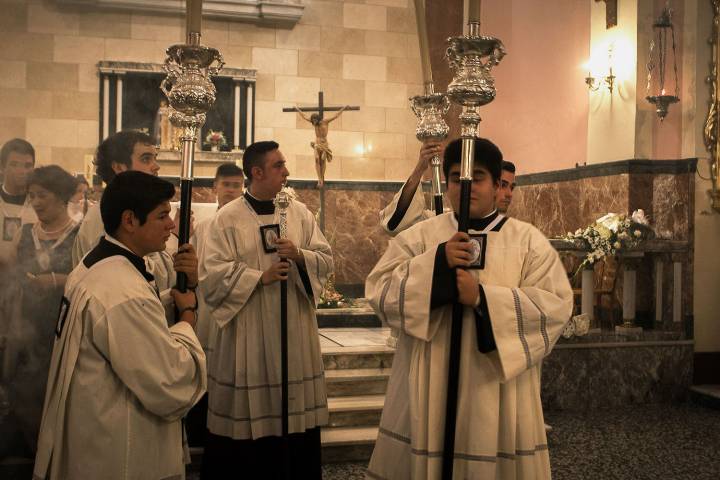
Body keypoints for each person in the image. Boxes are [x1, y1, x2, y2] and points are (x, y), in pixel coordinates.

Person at [364, 138, 573, 479]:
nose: (465, 186)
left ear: (496, 185)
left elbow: (555, 306)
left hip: (496, 384)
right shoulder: (421, 237)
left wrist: (483, 298)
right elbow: (379, 290)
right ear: (446, 182)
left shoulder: (527, 240)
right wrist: (437, 266)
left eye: (476, 177)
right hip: (432, 380)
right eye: (456, 177)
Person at [33, 171, 206, 480]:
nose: (171, 224)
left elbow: (135, 318)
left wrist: (181, 289)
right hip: (120, 449)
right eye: (162, 215)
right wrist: (188, 314)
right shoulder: (123, 292)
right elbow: (169, 381)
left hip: (92, 429)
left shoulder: (96, 263)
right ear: (130, 220)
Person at [199, 141, 333, 479]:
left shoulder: (300, 213)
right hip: (250, 333)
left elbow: (326, 259)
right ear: (256, 172)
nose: (286, 171)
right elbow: (211, 274)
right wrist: (261, 278)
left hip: (294, 330)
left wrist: (301, 255)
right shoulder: (227, 219)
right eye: (278, 165)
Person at [3, 165, 79, 458]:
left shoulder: (79, 233)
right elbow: (11, 279)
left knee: (57, 409)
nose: (34, 202)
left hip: (61, 329)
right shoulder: (24, 234)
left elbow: (89, 279)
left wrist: (56, 281)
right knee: (25, 406)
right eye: (31, 195)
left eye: (42, 195)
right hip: (27, 330)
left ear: (62, 197)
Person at [184, 162, 245, 448]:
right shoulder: (205, 226)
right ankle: (200, 430)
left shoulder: (247, 224)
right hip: (206, 308)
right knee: (206, 365)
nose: (231, 190)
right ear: (215, 188)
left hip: (235, 305)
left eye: (236, 185)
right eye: (226, 185)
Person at [380, 145, 518, 234]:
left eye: (511, 187)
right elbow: (396, 224)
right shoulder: (443, 223)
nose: (509, 194)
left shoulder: (512, 235)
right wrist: (420, 168)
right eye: (502, 185)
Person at [0, 139, 37, 270]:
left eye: (28, 166)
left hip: (28, 278)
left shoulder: (40, 203)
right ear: (2, 168)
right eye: (14, 164)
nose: (22, 171)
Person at [293, 105, 349, 188]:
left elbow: (336, 115)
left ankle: (322, 178)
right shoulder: (313, 122)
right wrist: (297, 109)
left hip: (324, 144)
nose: (314, 122)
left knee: (322, 160)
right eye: (313, 121)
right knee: (316, 159)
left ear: (318, 119)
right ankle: (319, 179)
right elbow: (304, 116)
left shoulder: (325, 121)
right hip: (317, 143)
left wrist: (344, 108)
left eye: (315, 120)